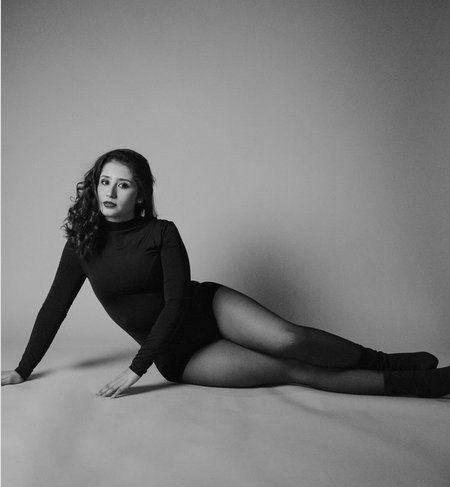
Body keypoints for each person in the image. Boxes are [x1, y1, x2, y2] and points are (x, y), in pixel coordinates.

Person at [2, 149, 449, 399]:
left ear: (140, 195)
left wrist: (136, 368)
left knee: (293, 339)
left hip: (208, 309)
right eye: (105, 181)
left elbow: (176, 302)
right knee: (293, 369)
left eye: (124, 184)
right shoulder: (82, 245)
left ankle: (387, 361)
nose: (111, 192)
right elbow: (54, 309)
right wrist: (23, 370)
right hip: (180, 355)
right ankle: (418, 385)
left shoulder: (161, 232)